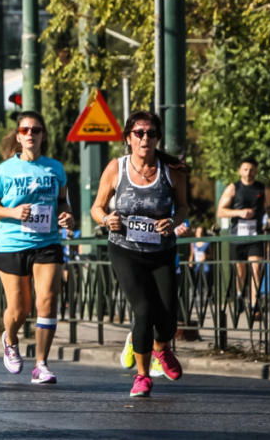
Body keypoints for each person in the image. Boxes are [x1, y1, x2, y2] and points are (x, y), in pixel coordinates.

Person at [91, 110, 190, 398]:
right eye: (139, 133)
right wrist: (105, 219)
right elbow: (96, 207)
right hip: (125, 250)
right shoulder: (116, 168)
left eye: (150, 133)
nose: (145, 138)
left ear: (157, 138)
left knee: (169, 316)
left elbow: (183, 207)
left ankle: (162, 347)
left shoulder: (173, 171)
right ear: (128, 138)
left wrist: (173, 221)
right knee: (144, 310)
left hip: (161, 250)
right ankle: (143, 375)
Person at [0, 112, 71, 382]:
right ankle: (10, 340)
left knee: (47, 299)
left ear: (43, 135)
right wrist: (13, 212)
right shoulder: (5, 170)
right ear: (19, 136)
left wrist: (67, 214)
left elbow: (63, 202)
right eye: (25, 130)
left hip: (47, 242)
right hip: (12, 244)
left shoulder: (55, 168)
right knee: (20, 309)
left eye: (36, 130)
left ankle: (41, 364)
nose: (30, 134)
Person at [217, 158, 267, 317]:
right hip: (237, 236)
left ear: (256, 171)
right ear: (240, 171)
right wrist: (239, 212)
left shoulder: (262, 188)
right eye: (245, 169)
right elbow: (221, 211)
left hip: (255, 235)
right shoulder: (233, 188)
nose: (248, 172)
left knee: (256, 267)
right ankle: (239, 295)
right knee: (240, 270)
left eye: (252, 169)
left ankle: (254, 304)